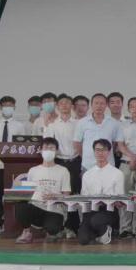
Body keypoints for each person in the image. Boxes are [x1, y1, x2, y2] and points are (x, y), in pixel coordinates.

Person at [15, 138, 72, 243]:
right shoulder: (33, 170)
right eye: (45, 148)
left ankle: (53, 232)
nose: (48, 151)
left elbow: (67, 196)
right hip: (36, 208)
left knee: (52, 230)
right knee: (21, 204)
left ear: (56, 151)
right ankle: (26, 232)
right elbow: (27, 194)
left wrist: (56, 196)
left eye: (51, 148)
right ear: (40, 150)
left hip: (54, 210)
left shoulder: (63, 171)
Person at [0, 95, 27, 231]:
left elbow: (22, 146)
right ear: (0, 107)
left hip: (13, 166)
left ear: (14, 107)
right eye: (5, 106)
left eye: (10, 106)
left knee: (13, 194)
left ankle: (13, 221)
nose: (7, 108)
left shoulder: (20, 126)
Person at [78, 139, 126, 245]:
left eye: (104, 150)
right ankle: (99, 235)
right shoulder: (87, 174)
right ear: (94, 152)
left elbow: (120, 198)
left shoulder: (117, 173)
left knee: (96, 221)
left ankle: (107, 230)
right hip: (91, 210)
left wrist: (113, 201)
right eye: (97, 150)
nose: (100, 153)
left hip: (109, 210)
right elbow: (84, 197)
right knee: (83, 240)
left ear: (109, 152)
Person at [45, 93, 81, 236]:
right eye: (61, 103)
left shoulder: (78, 123)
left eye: (67, 103)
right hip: (59, 162)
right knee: (59, 194)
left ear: (72, 106)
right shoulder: (52, 125)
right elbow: (48, 145)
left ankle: (72, 227)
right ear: (57, 106)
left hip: (75, 162)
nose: (64, 105)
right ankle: (58, 226)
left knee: (73, 195)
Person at [118, 97, 136, 239]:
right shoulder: (122, 125)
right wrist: (132, 157)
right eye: (132, 106)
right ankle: (125, 228)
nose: (135, 108)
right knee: (125, 196)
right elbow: (120, 145)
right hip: (126, 163)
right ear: (128, 109)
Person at [72, 93, 123, 172]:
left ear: (106, 105)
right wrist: (85, 155)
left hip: (108, 164)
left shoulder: (113, 123)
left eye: (102, 103)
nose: (99, 106)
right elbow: (77, 143)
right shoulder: (82, 122)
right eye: (96, 103)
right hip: (88, 165)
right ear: (91, 105)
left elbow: (114, 143)